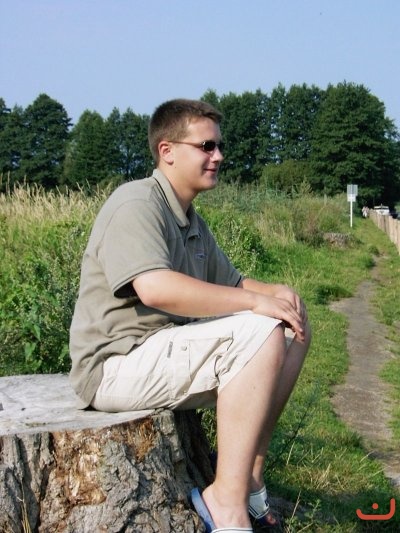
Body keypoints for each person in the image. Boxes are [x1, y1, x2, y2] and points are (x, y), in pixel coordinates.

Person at [69, 98, 311, 532]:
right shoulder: (135, 204)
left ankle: (249, 477)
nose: (218, 156)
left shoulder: (190, 220)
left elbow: (235, 284)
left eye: (219, 146)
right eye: (206, 146)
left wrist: (277, 294)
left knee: (291, 330)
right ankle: (225, 503)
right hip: (114, 364)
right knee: (259, 329)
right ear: (168, 151)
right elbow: (155, 287)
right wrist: (256, 306)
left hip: (158, 352)